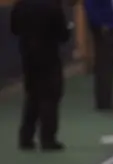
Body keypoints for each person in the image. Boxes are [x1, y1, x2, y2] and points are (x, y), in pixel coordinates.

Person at [10, 0, 72, 151]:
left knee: (32, 95)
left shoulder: (21, 4)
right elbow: (62, 34)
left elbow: (14, 29)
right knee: (50, 96)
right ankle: (47, 138)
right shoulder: (53, 6)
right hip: (49, 55)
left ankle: (26, 137)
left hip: (28, 55)